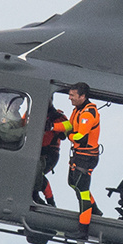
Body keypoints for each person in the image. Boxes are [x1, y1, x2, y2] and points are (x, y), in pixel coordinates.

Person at [51, 83, 101, 229]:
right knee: (73, 183)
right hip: (79, 155)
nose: (69, 98)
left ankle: (84, 227)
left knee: (82, 190)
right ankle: (95, 210)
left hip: (86, 157)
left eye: (72, 95)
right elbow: (69, 126)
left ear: (83, 96)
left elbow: (80, 137)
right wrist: (53, 127)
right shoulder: (77, 111)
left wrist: (68, 135)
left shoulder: (87, 114)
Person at [33, 104, 66, 205]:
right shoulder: (33, 113)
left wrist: (53, 126)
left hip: (50, 154)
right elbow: (22, 123)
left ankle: (50, 201)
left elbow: (64, 134)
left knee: (37, 174)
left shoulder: (59, 117)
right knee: (33, 173)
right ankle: (37, 196)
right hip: (34, 152)